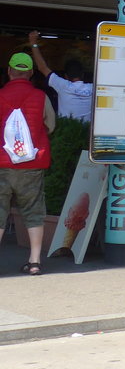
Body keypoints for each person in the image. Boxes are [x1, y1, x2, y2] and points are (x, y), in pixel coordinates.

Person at [0, 52, 57, 275]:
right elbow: (50, 125)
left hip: (2, 163)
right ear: (31, 73)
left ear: (9, 71)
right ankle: (34, 262)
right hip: (31, 163)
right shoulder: (41, 97)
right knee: (33, 211)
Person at [26, 31, 93, 122]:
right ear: (83, 75)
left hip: (65, 134)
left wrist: (33, 43)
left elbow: (42, 68)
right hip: (87, 134)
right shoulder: (94, 88)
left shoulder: (62, 85)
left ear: (65, 76)